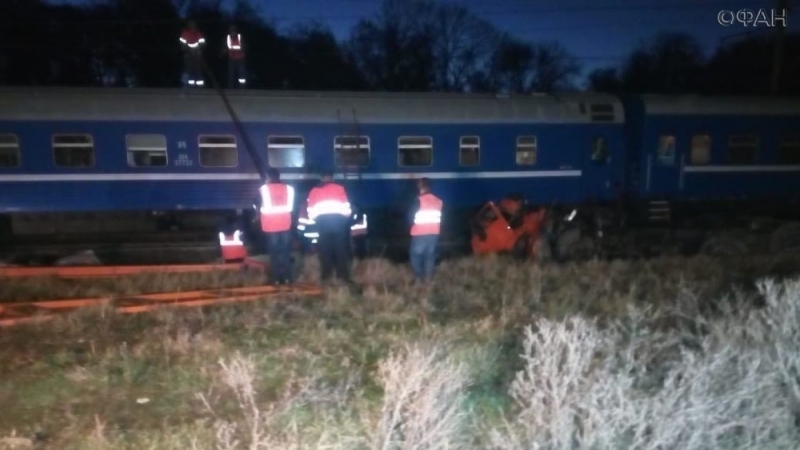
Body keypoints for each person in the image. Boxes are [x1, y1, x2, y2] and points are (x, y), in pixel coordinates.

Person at [306, 169, 353, 285]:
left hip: (322, 225)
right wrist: (343, 221)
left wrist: (317, 221)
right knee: (341, 251)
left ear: (321, 178)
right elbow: (347, 210)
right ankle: (343, 277)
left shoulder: (314, 191)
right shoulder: (340, 188)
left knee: (325, 251)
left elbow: (310, 212)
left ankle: (326, 277)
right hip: (338, 224)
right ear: (332, 177)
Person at [258, 168, 295, 285]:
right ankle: (289, 279)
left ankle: (276, 280)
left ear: (268, 177)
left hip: (270, 226)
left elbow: (257, 205)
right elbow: (292, 207)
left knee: (274, 254)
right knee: (285, 252)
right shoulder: (289, 189)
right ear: (279, 176)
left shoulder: (264, 190)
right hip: (285, 224)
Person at [409, 177, 442, 285]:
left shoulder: (418, 200)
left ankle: (418, 278)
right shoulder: (438, 201)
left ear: (420, 187)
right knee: (430, 256)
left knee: (415, 255)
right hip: (434, 233)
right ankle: (428, 280)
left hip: (420, 233)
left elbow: (410, 216)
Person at [179, 20, 206, 87]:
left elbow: (202, 43)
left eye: (193, 24)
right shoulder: (185, 33)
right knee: (188, 68)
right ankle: (187, 84)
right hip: (188, 53)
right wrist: (188, 50)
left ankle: (199, 85)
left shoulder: (198, 33)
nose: (192, 26)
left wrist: (197, 50)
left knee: (197, 68)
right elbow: (182, 43)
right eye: (191, 24)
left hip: (196, 53)